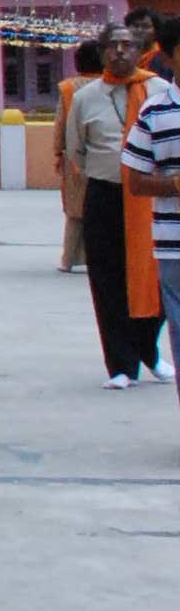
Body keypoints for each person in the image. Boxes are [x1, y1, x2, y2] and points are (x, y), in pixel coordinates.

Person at [68, 33, 165, 388]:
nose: (120, 51)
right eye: (113, 45)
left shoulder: (160, 92)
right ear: (102, 53)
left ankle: (148, 349)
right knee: (107, 280)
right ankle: (121, 365)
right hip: (105, 194)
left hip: (150, 195)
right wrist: (110, 171)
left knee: (157, 277)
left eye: (128, 45)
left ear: (140, 52)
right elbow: (76, 150)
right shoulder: (85, 97)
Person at [128, 25, 180, 406]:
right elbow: (136, 181)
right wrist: (174, 185)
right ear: (170, 56)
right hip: (174, 246)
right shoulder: (155, 111)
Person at [55, 40, 102, 272]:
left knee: (75, 213)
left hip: (74, 157)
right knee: (102, 211)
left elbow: (61, 124)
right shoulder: (111, 86)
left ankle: (68, 260)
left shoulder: (68, 88)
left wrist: (57, 152)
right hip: (104, 155)